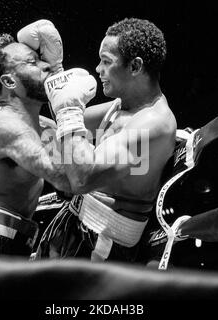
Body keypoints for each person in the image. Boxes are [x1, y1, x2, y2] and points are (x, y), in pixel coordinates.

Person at [36, 18, 177, 262]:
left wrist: (68, 111)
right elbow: (65, 120)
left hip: (103, 242)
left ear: (135, 66)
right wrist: (55, 69)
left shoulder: (154, 124)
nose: (98, 69)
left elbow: (83, 178)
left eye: (106, 61)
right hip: (73, 220)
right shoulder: (121, 105)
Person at [0, 21, 73, 256]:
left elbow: (69, 189)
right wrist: (66, 100)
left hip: (19, 241)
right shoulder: (2, 126)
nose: (45, 65)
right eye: (32, 62)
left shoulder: (46, 127)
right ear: (9, 82)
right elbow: (67, 180)